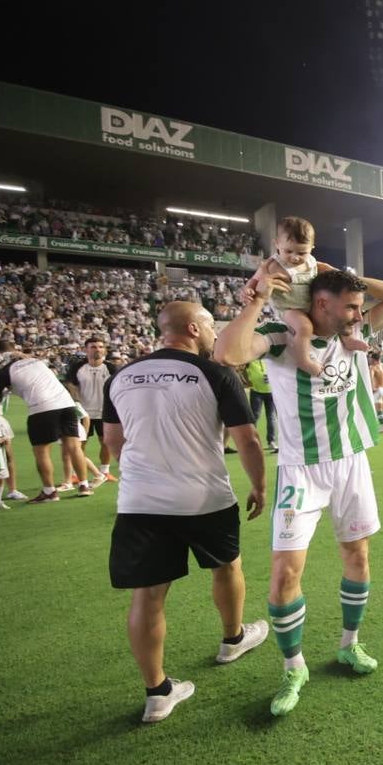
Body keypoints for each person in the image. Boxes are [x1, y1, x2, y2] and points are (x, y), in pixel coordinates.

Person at [216, 265, 383, 716]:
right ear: (321, 303)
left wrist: (326, 269)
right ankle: (293, 666)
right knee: (285, 573)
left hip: (351, 463)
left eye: (360, 307)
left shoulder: (352, 332)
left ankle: (349, 644)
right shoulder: (283, 336)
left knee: (357, 556)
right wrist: (258, 299)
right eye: (349, 306)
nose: (358, 314)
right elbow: (227, 354)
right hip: (300, 470)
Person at [102, 302, 270, 723]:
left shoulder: (121, 375)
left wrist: (144, 472)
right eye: (212, 325)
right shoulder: (216, 373)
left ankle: (157, 693)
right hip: (204, 497)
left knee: (149, 594)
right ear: (194, 328)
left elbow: (113, 441)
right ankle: (232, 640)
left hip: (141, 501)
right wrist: (259, 484)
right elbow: (247, 439)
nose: (216, 333)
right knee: (227, 566)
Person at [241, 216, 370, 377]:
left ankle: (348, 339)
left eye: (302, 252)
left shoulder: (311, 263)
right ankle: (303, 360)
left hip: (310, 304)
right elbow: (254, 279)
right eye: (289, 251)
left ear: (312, 248)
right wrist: (249, 290)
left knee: (336, 319)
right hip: (289, 307)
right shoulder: (272, 264)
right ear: (277, 244)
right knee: (305, 328)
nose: (295, 257)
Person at [0, 341, 96, 502]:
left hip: (42, 408)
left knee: (41, 451)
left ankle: (49, 492)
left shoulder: (3, 371)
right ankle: (84, 485)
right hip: (67, 404)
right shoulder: (36, 361)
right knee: (74, 446)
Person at [64, 335, 118, 486]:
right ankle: (76, 474)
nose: (97, 350)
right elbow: (70, 384)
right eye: (93, 347)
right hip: (83, 412)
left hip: (105, 411)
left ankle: (105, 472)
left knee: (106, 443)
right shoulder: (78, 367)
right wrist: (76, 403)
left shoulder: (111, 368)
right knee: (79, 444)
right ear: (86, 350)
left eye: (100, 347)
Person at [243, 358, 278, 452]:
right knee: (254, 416)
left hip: (271, 391)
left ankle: (271, 441)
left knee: (271, 417)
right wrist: (247, 381)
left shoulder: (269, 359)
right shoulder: (250, 358)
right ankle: (251, 441)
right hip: (256, 391)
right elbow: (244, 371)